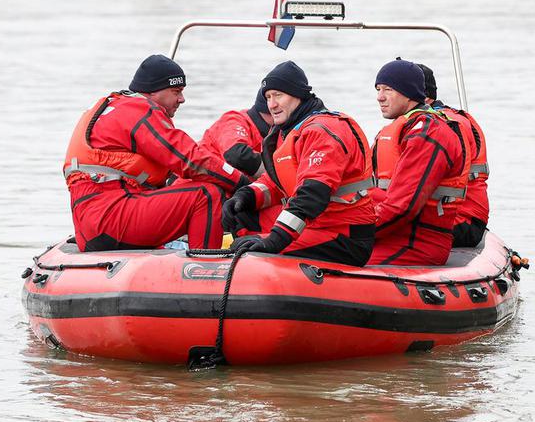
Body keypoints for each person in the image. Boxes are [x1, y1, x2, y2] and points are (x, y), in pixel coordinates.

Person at [63, 54, 249, 252]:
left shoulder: (115, 107)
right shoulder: (140, 111)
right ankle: (205, 268)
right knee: (206, 194)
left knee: (196, 187)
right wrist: (246, 186)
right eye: (176, 91)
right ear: (152, 92)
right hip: (111, 219)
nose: (182, 99)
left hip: (92, 223)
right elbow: (191, 160)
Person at [224, 61, 376, 266]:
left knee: (249, 250)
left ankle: (254, 269)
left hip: (342, 233)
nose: (272, 104)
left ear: (298, 95)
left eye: (278, 95)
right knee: (240, 214)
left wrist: (274, 241)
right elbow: (274, 182)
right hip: (317, 224)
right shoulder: (289, 131)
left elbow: (311, 196)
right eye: (268, 97)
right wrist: (246, 196)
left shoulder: (322, 130)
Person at [369, 58, 470, 266]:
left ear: (408, 92)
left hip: (416, 242)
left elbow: (403, 207)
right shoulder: (407, 128)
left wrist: (355, 233)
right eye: (378, 89)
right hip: (392, 233)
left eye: (388, 89)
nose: (380, 97)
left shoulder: (428, 133)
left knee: (333, 261)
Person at [416, 63, 490, 248]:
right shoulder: (436, 121)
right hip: (456, 217)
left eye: (392, 91)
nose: (381, 98)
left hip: (460, 222)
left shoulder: (442, 127)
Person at [200, 87, 273, 177]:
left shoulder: (279, 134)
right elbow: (237, 155)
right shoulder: (234, 121)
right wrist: (278, 174)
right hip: (199, 185)